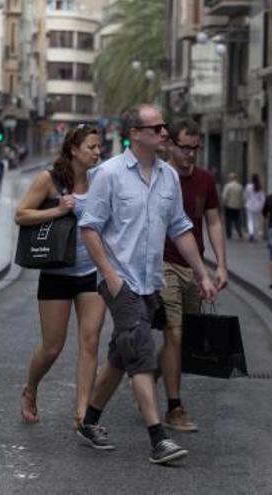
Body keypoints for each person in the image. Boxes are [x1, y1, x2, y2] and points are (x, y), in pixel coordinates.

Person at [79, 104, 218, 464]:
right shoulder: (108, 174)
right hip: (118, 280)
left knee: (119, 356)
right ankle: (158, 439)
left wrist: (202, 272)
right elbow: (89, 227)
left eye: (164, 127)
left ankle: (90, 420)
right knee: (141, 351)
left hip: (149, 280)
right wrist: (110, 276)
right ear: (135, 134)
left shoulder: (168, 177)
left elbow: (181, 229)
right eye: (156, 128)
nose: (164, 133)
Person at [15, 125, 105, 426]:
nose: (97, 152)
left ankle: (82, 412)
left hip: (91, 271)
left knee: (90, 341)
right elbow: (21, 214)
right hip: (56, 272)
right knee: (52, 347)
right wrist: (56, 210)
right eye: (91, 147)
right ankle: (30, 388)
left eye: (98, 147)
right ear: (73, 150)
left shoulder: (101, 180)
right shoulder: (49, 180)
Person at [158, 118, 228, 432]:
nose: (190, 155)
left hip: (194, 266)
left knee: (182, 339)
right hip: (163, 264)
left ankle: (146, 374)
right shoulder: (158, 177)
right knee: (173, 332)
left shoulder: (205, 179)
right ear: (170, 145)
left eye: (195, 149)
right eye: (184, 148)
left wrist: (220, 265)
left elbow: (213, 221)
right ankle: (174, 408)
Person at [221, 173, 245, 239]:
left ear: (230, 178)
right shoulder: (240, 186)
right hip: (237, 206)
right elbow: (242, 197)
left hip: (229, 206)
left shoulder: (228, 186)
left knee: (228, 221)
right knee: (237, 220)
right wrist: (241, 205)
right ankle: (239, 232)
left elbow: (224, 196)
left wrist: (223, 204)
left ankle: (229, 234)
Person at [244, 173, 265, 242]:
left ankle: (251, 233)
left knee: (250, 220)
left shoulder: (248, 186)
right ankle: (255, 235)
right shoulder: (260, 187)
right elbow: (262, 198)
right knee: (256, 221)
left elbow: (246, 196)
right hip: (257, 207)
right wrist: (261, 206)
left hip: (249, 205)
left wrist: (246, 201)